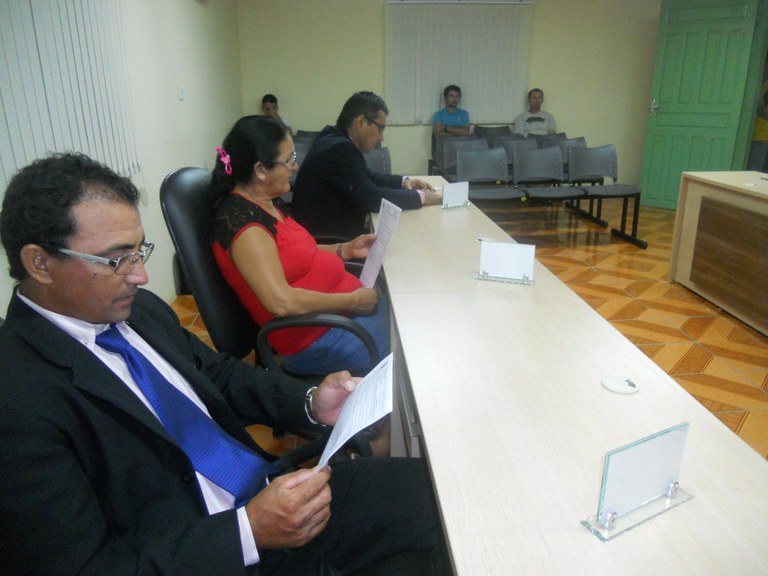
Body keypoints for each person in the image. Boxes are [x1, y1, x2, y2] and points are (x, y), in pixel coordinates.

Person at [0, 153, 448, 575]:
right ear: (40, 263)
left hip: (269, 500)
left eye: (139, 252)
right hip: (212, 554)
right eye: (116, 259)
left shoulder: (138, 310)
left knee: (445, 501)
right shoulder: (17, 397)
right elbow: (86, 568)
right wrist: (247, 533)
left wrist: (311, 402)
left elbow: (218, 375)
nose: (140, 275)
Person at [210, 116, 390, 377]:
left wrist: (345, 249)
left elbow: (301, 254)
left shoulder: (267, 202)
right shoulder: (246, 228)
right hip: (317, 340)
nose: (294, 167)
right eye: (289, 160)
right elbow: (281, 302)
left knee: (409, 318)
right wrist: (353, 300)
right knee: (411, 343)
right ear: (260, 170)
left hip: (342, 320)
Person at [291, 91, 441, 239]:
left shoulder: (333, 137)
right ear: (361, 122)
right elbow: (373, 198)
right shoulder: (340, 148)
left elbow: (365, 175)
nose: (381, 137)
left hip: (325, 229)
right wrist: (420, 197)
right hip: (329, 239)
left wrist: (403, 181)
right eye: (380, 128)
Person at [748, 58, 768, 171]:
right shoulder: (758, 83)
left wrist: (758, 107)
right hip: (747, 133)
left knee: (753, 169)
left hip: (761, 135)